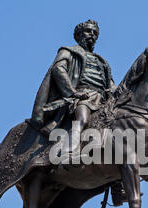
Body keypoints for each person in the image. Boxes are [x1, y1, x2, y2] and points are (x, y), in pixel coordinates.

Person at [31, 19, 116, 154]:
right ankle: (69, 152)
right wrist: (72, 92)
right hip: (81, 96)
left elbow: (110, 84)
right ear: (78, 35)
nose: (92, 35)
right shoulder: (68, 51)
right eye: (88, 31)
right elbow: (58, 69)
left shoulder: (102, 61)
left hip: (102, 100)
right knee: (83, 118)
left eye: (95, 33)